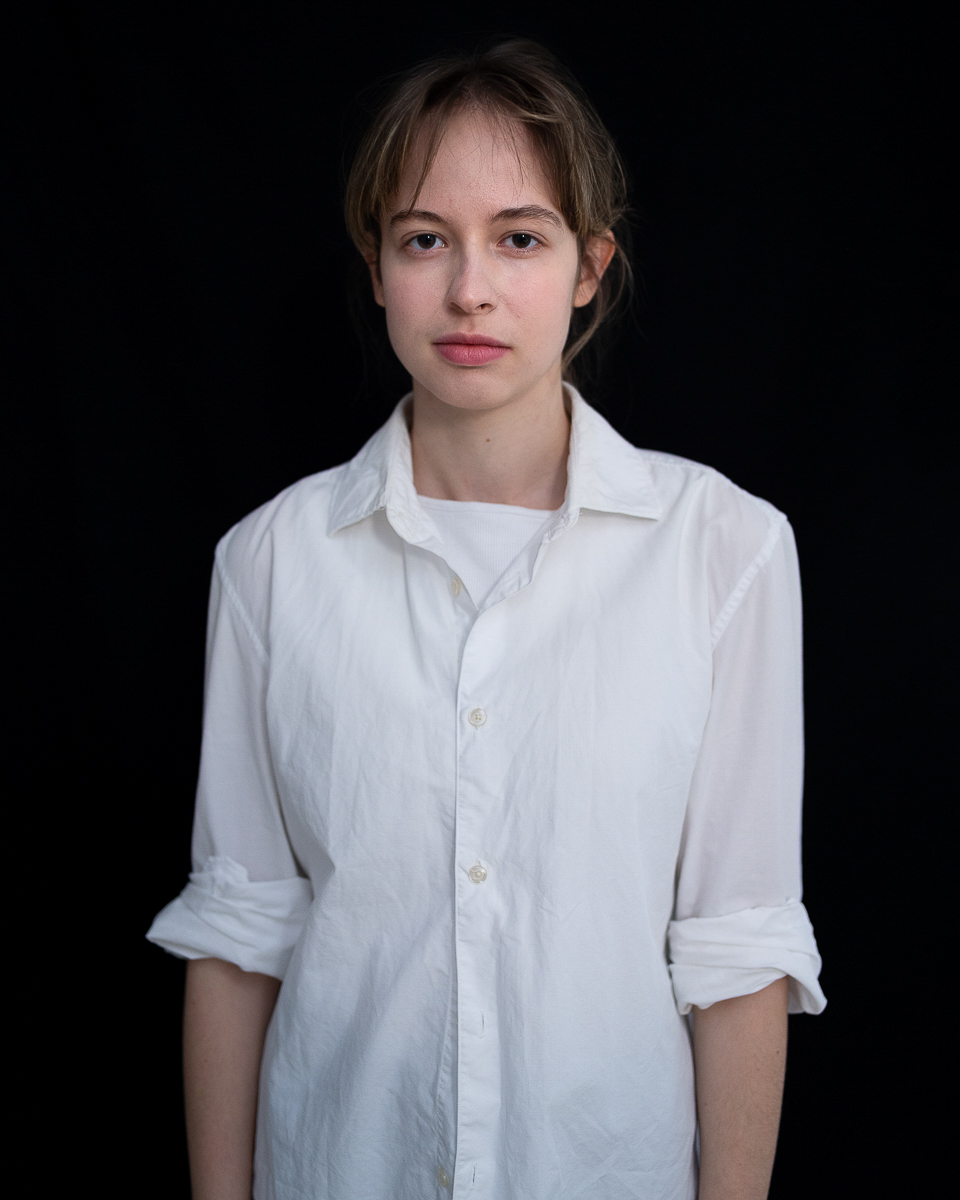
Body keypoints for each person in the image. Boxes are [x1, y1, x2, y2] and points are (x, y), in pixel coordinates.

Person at [148, 39, 825, 1200]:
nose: (469, 289)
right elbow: (238, 933)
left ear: (589, 267)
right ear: (377, 266)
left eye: (519, 238)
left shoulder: (725, 551)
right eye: (425, 239)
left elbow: (738, 945)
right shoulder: (271, 561)